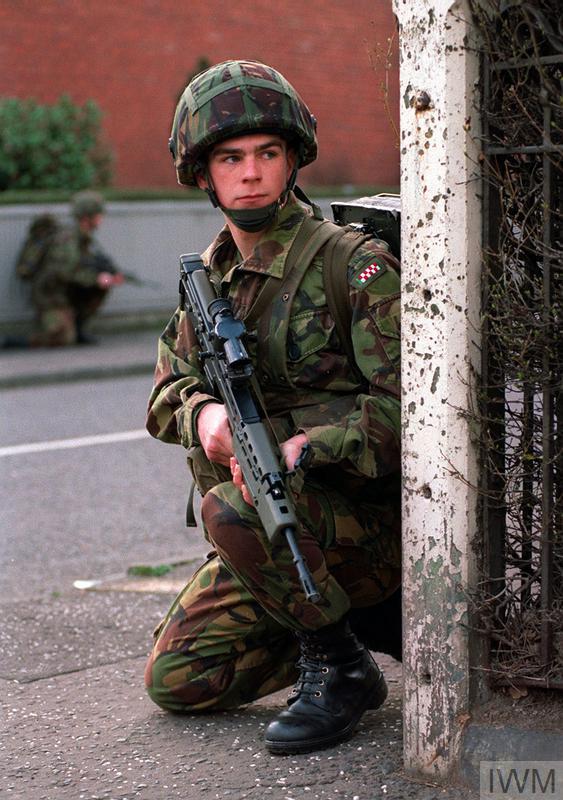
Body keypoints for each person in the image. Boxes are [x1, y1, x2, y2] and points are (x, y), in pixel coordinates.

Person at [144, 60, 401, 755]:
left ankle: (341, 663)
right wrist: (204, 415)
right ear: (203, 174)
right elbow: (165, 391)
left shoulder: (353, 267)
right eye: (231, 158)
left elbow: (415, 414)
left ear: (292, 161)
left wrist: (306, 446)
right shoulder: (209, 278)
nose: (251, 173)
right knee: (178, 681)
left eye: (267, 154)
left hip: (362, 524)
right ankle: (354, 624)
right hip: (278, 537)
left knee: (229, 508)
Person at [7, 191, 123, 347]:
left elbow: (82, 266)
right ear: (87, 216)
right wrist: (95, 278)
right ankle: (15, 342)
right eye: (98, 214)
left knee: (99, 287)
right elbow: (63, 272)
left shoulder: (83, 237)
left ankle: (77, 328)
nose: (101, 218)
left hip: (66, 292)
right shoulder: (67, 239)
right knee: (62, 339)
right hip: (50, 295)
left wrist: (106, 276)